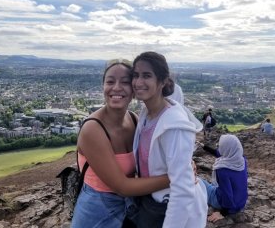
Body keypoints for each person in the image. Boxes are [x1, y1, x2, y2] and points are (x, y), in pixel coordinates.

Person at [71, 58, 170, 228]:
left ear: (133, 88)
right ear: (103, 86)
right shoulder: (93, 129)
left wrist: (183, 162)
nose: (116, 87)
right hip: (97, 212)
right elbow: (121, 186)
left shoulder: (134, 119)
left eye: (125, 82)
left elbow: (156, 155)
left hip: (130, 207)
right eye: (110, 81)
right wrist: (176, 176)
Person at [131, 51, 208, 228]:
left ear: (163, 81)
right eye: (135, 75)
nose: (138, 82)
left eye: (147, 76)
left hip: (167, 208)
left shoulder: (174, 125)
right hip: (152, 202)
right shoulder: (147, 114)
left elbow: (183, 189)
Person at [197, 134, 248, 223]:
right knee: (216, 184)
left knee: (197, 180)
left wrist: (223, 213)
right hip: (241, 202)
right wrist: (204, 146)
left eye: (219, 146)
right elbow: (221, 153)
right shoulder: (242, 160)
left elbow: (227, 195)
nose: (218, 147)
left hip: (226, 204)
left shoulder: (222, 170)